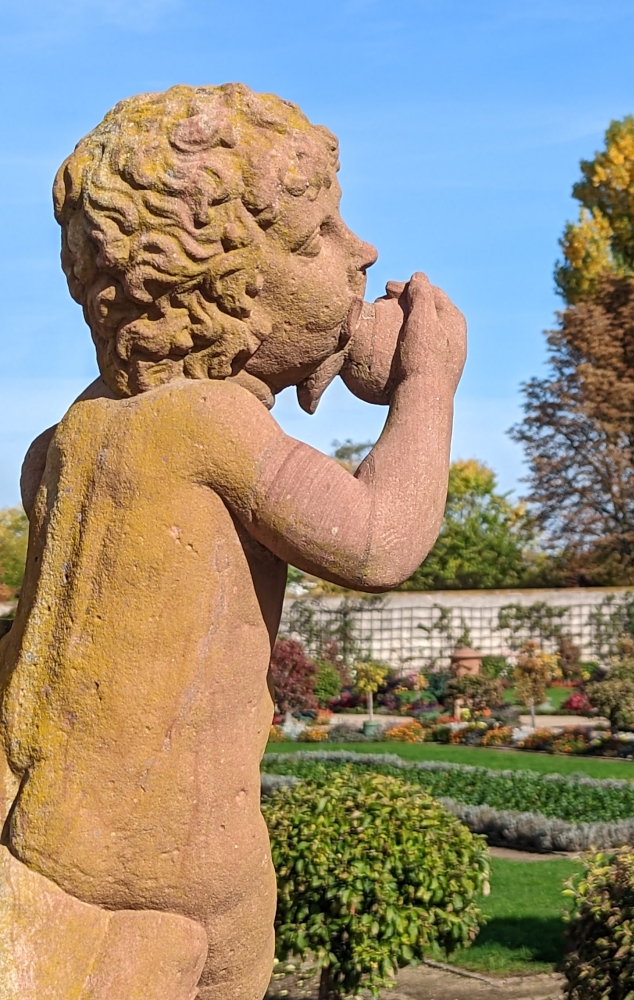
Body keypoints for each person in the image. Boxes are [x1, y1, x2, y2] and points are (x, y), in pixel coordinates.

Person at [0, 84, 466, 1000]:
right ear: (226, 297)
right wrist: (428, 384)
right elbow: (377, 543)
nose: (362, 251)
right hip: (182, 854)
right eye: (317, 235)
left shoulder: (64, 444)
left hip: (44, 826)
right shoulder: (212, 426)